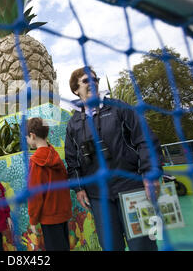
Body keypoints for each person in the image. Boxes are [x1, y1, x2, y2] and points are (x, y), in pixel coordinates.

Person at [64, 66, 163, 251]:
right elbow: (72, 160)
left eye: (96, 79)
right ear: (76, 89)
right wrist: (78, 188)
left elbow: (145, 140)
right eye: (86, 80)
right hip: (98, 196)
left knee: (143, 245)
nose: (93, 83)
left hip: (131, 189)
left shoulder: (120, 109)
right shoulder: (73, 124)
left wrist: (151, 174)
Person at [26, 117, 72, 251]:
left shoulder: (35, 161)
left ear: (32, 136)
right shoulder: (55, 155)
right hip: (63, 213)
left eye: (27, 138)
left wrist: (33, 219)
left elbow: (35, 193)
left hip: (49, 217)